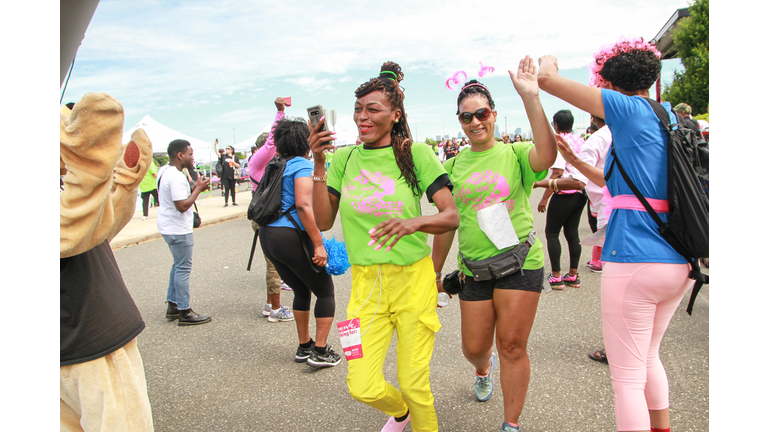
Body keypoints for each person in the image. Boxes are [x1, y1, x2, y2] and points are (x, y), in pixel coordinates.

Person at [538, 38, 696, 432]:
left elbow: (546, 79)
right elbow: (618, 189)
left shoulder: (627, 109)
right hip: (678, 258)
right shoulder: (671, 119)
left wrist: (548, 59)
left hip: (635, 258)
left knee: (626, 379)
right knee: (648, 357)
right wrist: (574, 162)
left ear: (608, 85)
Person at [309, 61, 459, 432]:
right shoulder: (343, 158)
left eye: (372, 109)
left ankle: (418, 413)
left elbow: (450, 216)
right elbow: (324, 220)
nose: (362, 116)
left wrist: (414, 223)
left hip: (413, 284)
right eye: (358, 109)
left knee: (414, 382)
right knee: (360, 384)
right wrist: (318, 163)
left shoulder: (416, 154)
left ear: (395, 115)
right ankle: (401, 412)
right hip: (365, 290)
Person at [431, 56, 557, 432]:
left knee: (513, 345)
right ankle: (483, 370)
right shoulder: (452, 167)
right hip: (475, 269)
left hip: (520, 261)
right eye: (466, 117)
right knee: (474, 347)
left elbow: (547, 156)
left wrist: (532, 98)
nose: (475, 122)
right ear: (459, 122)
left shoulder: (515, 154)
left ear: (494, 114)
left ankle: (511, 424)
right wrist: (433, 272)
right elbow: (447, 223)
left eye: (481, 113)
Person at [60, 94, 154, 431]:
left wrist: (123, 184)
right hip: (89, 338)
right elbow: (67, 233)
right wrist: (88, 170)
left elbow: (96, 230)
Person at [258, 116, 338, 367]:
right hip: (290, 234)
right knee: (325, 291)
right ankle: (321, 351)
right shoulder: (301, 165)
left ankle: (304, 346)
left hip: (268, 235)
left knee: (302, 289)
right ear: (305, 141)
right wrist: (318, 244)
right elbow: (304, 205)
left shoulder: (275, 164)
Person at [248, 97, 295, 323]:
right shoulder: (258, 163)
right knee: (274, 265)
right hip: (267, 218)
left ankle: (269, 305)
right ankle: (275, 309)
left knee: (273, 262)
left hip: (267, 216)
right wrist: (280, 113)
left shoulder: (269, 165)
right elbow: (270, 144)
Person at [157, 139, 212, 325]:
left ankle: (173, 306)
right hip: (178, 229)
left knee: (177, 265)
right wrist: (198, 189)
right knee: (182, 268)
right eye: (190, 153)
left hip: (168, 226)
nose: (193, 157)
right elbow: (182, 206)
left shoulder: (164, 170)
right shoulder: (176, 176)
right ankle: (184, 311)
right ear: (180, 155)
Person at [534, 109, 587, 290]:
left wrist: (544, 198)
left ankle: (556, 278)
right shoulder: (580, 141)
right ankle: (573, 275)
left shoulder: (559, 143)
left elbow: (557, 172)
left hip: (564, 195)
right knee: (573, 235)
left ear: (555, 125)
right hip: (580, 195)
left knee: (552, 233)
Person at [214, 139, 240, 207]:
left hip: (232, 175)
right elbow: (217, 153)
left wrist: (233, 162)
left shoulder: (234, 157)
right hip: (225, 175)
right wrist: (215, 145)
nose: (227, 149)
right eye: (226, 148)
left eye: (228, 148)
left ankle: (234, 201)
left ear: (231, 150)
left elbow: (238, 165)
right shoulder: (224, 156)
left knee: (233, 188)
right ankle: (226, 202)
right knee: (226, 188)